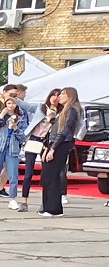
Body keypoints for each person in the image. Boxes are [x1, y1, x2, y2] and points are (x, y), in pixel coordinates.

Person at [39, 87, 82, 218]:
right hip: (54, 143)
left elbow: (64, 131)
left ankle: (53, 208)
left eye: (62, 94)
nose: (59, 96)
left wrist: (53, 148)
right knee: (47, 176)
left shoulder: (72, 111)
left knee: (52, 176)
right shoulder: (63, 111)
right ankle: (49, 206)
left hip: (61, 144)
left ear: (70, 96)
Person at [18, 89, 61, 213]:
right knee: (28, 173)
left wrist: (53, 118)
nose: (55, 98)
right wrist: (14, 98)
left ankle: (45, 203)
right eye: (53, 95)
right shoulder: (40, 107)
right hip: (33, 140)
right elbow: (26, 106)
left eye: (58, 96)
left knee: (46, 174)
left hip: (46, 143)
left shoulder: (60, 113)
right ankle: (24, 201)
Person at [0, 96, 28, 211]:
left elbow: (23, 136)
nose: (11, 106)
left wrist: (15, 128)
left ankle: (12, 199)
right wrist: (0, 116)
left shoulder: (21, 118)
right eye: (8, 103)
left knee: (13, 175)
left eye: (13, 103)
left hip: (12, 148)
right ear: (5, 104)